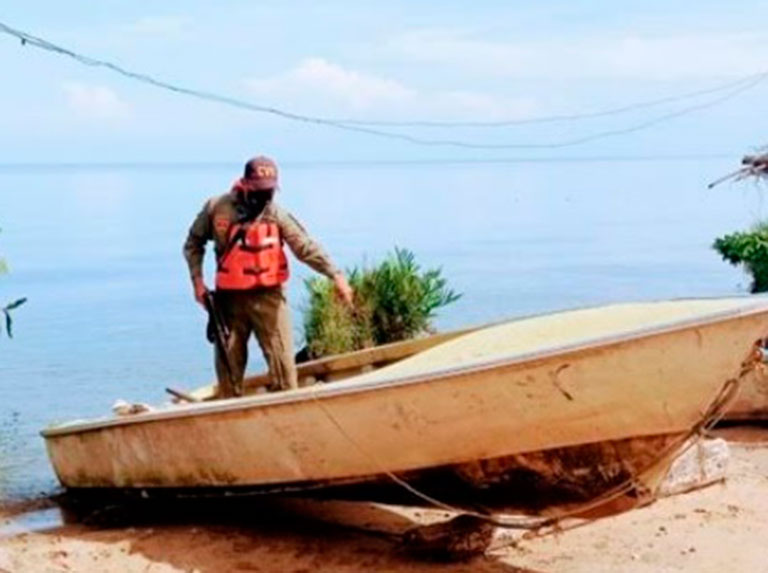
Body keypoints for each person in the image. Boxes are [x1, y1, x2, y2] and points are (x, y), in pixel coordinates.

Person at [183, 155, 353, 397]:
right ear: (244, 183)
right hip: (229, 302)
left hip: (269, 298)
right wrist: (198, 282)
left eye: (270, 191)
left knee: (284, 370)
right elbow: (193, 243)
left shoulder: (276, 214)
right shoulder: (216, 208)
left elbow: (304, 247)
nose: (265, 196)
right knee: (229, 374)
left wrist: (335, 275)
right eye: (260, 191)